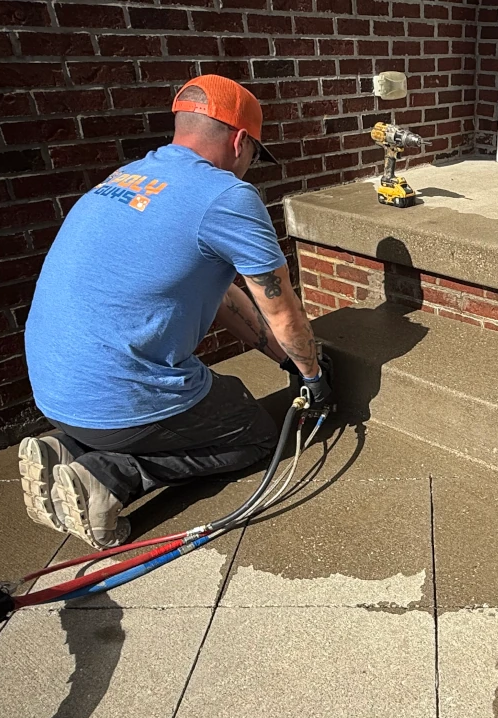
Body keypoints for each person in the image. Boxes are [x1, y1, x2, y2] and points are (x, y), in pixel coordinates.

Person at [20, 75, 331, 550]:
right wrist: (314, 377)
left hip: (57, 392)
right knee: (254, 432)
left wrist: (284, 360)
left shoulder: (128, 177)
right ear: (241, 141)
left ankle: (64, 447)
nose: (249, 167)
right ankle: (110, 475)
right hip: (117, 401)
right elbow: (282, 309)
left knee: (208, 394)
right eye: (253, 156)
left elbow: (225, 295)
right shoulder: (227, 195)